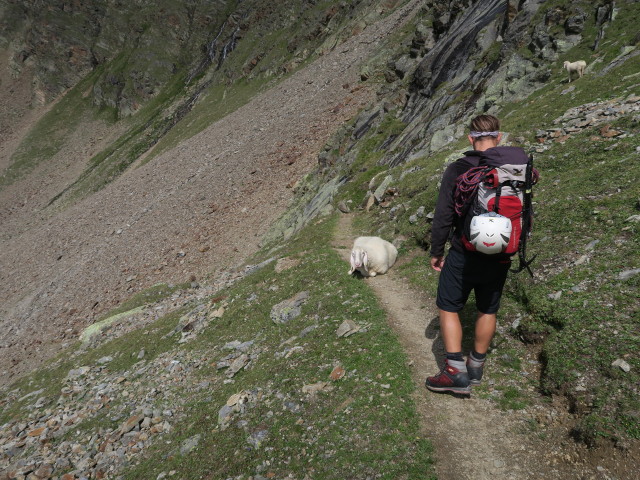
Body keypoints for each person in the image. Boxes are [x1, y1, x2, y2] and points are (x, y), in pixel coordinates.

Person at [425, 114, 529, 395]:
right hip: (501, 254)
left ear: (470, 138)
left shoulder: (459, 168)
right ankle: (476, 366)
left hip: (464, 251)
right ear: (500, 137)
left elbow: (444, 215)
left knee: (448, 306)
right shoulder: (516, 170)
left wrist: (437, 251)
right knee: (488, 308)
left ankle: (454, 373)